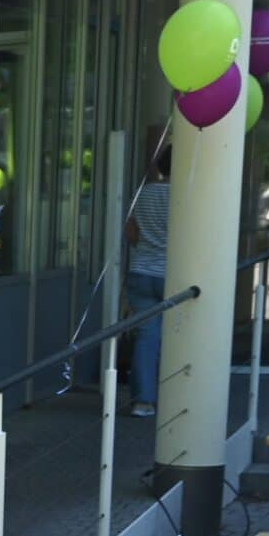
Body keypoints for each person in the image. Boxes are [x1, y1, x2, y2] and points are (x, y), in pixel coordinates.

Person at [122, 146, 173, 419]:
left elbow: (131, 233)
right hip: (175, 275)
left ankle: (143, 402)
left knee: (146, 337)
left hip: (141, 272)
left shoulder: (144, 192)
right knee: (179, 337)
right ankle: (179, 397)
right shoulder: (189, 196)